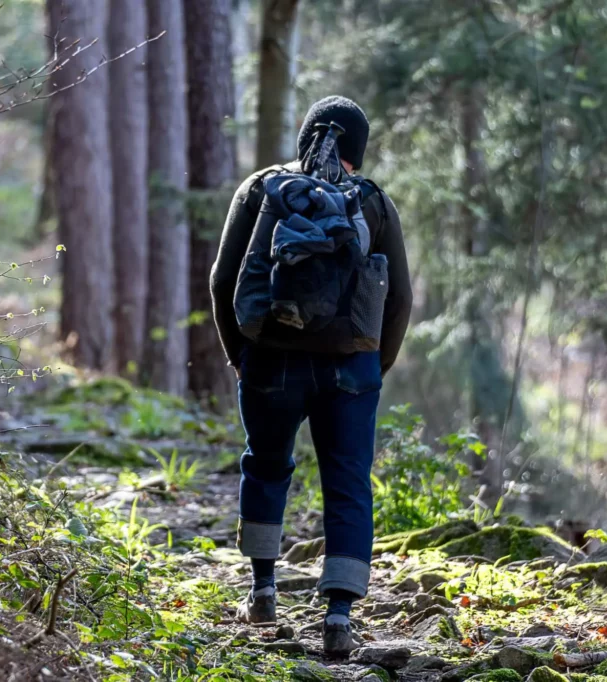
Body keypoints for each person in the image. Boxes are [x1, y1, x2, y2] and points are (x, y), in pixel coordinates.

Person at [209, 95, 413, 656]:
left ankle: (264, 590)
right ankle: (340, 617)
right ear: (358, 149)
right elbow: (400, 298)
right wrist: (375, 363)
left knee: (267, 466)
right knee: (348, 482)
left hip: (270, 359)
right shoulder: (372, 202)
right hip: (352, 367)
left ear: (305, 139)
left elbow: (223, 281)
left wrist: (241, 354)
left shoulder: (261, 190)